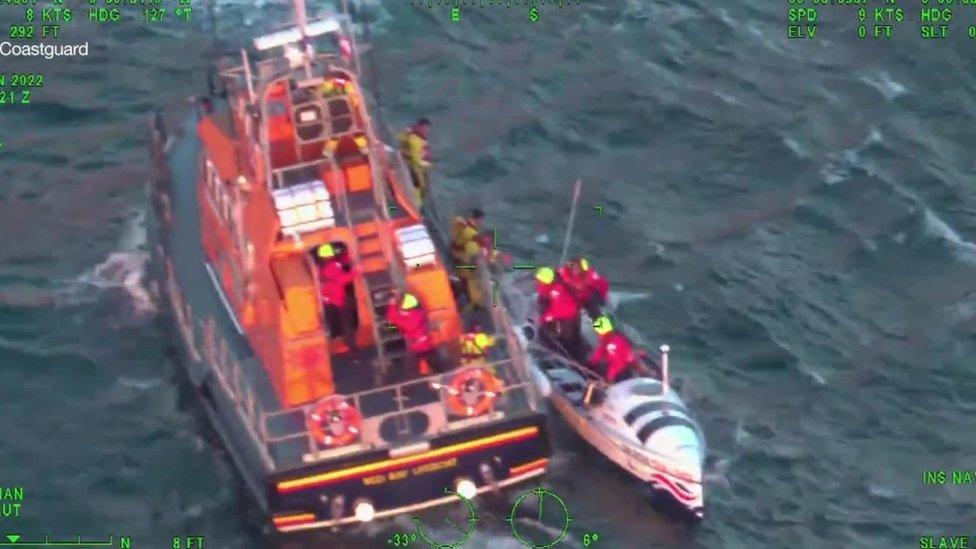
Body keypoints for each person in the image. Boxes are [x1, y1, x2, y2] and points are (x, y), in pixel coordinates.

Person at [385, 292, 440, 376]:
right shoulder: (420, 313)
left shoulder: (400, 319)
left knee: (413, 371)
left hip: (414, 348)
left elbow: (389, 321)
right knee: (437, 366)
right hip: (428, 345)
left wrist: (392, 300)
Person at [317, 244, 360, 349]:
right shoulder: (332, 266)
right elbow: (342, 279)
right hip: (339, 298)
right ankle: (353, 347)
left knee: (338, 322)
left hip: (330, 299)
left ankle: (339, 338)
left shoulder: (322, 268)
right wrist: (356, 272)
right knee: (347, 323)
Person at [536, 268, 583, 356]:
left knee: (567, 342)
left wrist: (546, 317)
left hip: (565, 324)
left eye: (540, 281)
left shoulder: (558, 291)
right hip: (560, 323)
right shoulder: (548, 289)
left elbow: (563, 310)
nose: (538, 283)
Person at [450, 209, 486, 310]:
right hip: (461, 257)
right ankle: (474, 303)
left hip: (456, 251)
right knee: (472, 279)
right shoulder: (471, 232)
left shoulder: (464, 225)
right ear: (479, 219)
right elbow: (471, 251)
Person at [588, 315, 640, 383]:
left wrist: (610, 378)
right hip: (615, 369)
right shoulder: (605, 343)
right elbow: (598, 354)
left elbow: (619, 363)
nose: (598, 335)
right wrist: (590, 363)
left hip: (622, 373)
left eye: (599, 332)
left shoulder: (615, 344)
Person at [398, 118, 433, 204]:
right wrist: (429, 164)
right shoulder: (416, 141)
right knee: (416, 198)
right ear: (419, 127)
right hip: (414, 173)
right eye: (425, 128)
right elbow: (417, 160)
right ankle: (416, 212)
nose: (426, 131)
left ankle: (394, 211)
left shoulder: (408, 135)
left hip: (407, 168)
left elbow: (401, 140)